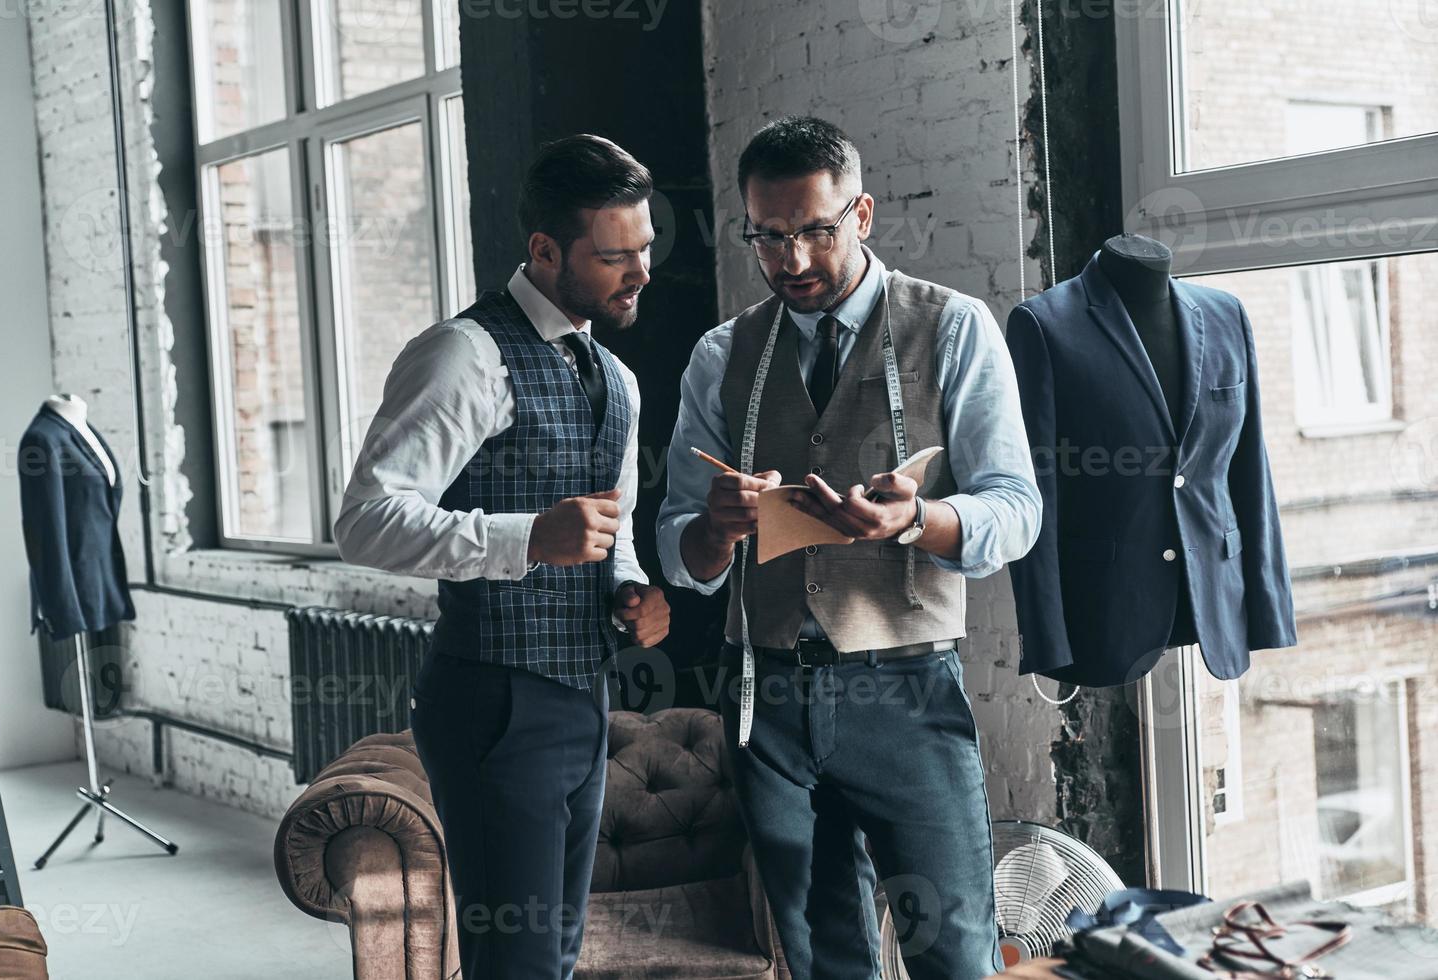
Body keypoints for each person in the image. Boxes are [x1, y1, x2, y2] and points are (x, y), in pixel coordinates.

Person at [657, 116, 1040, 978]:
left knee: (956, 956)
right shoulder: (721, 355)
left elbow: (1016, 512)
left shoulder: (952, 328)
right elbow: (678, 556)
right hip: (766, 696)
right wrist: (714, 528)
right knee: (821, 960)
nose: (791, 261)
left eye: (815, 232)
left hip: (906, 689)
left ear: (862, 215)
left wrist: (916, 520)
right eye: (769, 237)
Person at [335, 134, 671, 979]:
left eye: (645, 252)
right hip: (492, 700)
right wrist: (527, 539)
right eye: (613, 257)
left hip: (582, 695)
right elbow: (366, 520)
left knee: (554, 957)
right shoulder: (463, 354)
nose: (638, 275)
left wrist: (631, 587)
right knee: (512, 962)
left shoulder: (617, 378)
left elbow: (612, 527)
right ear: (545, 250)